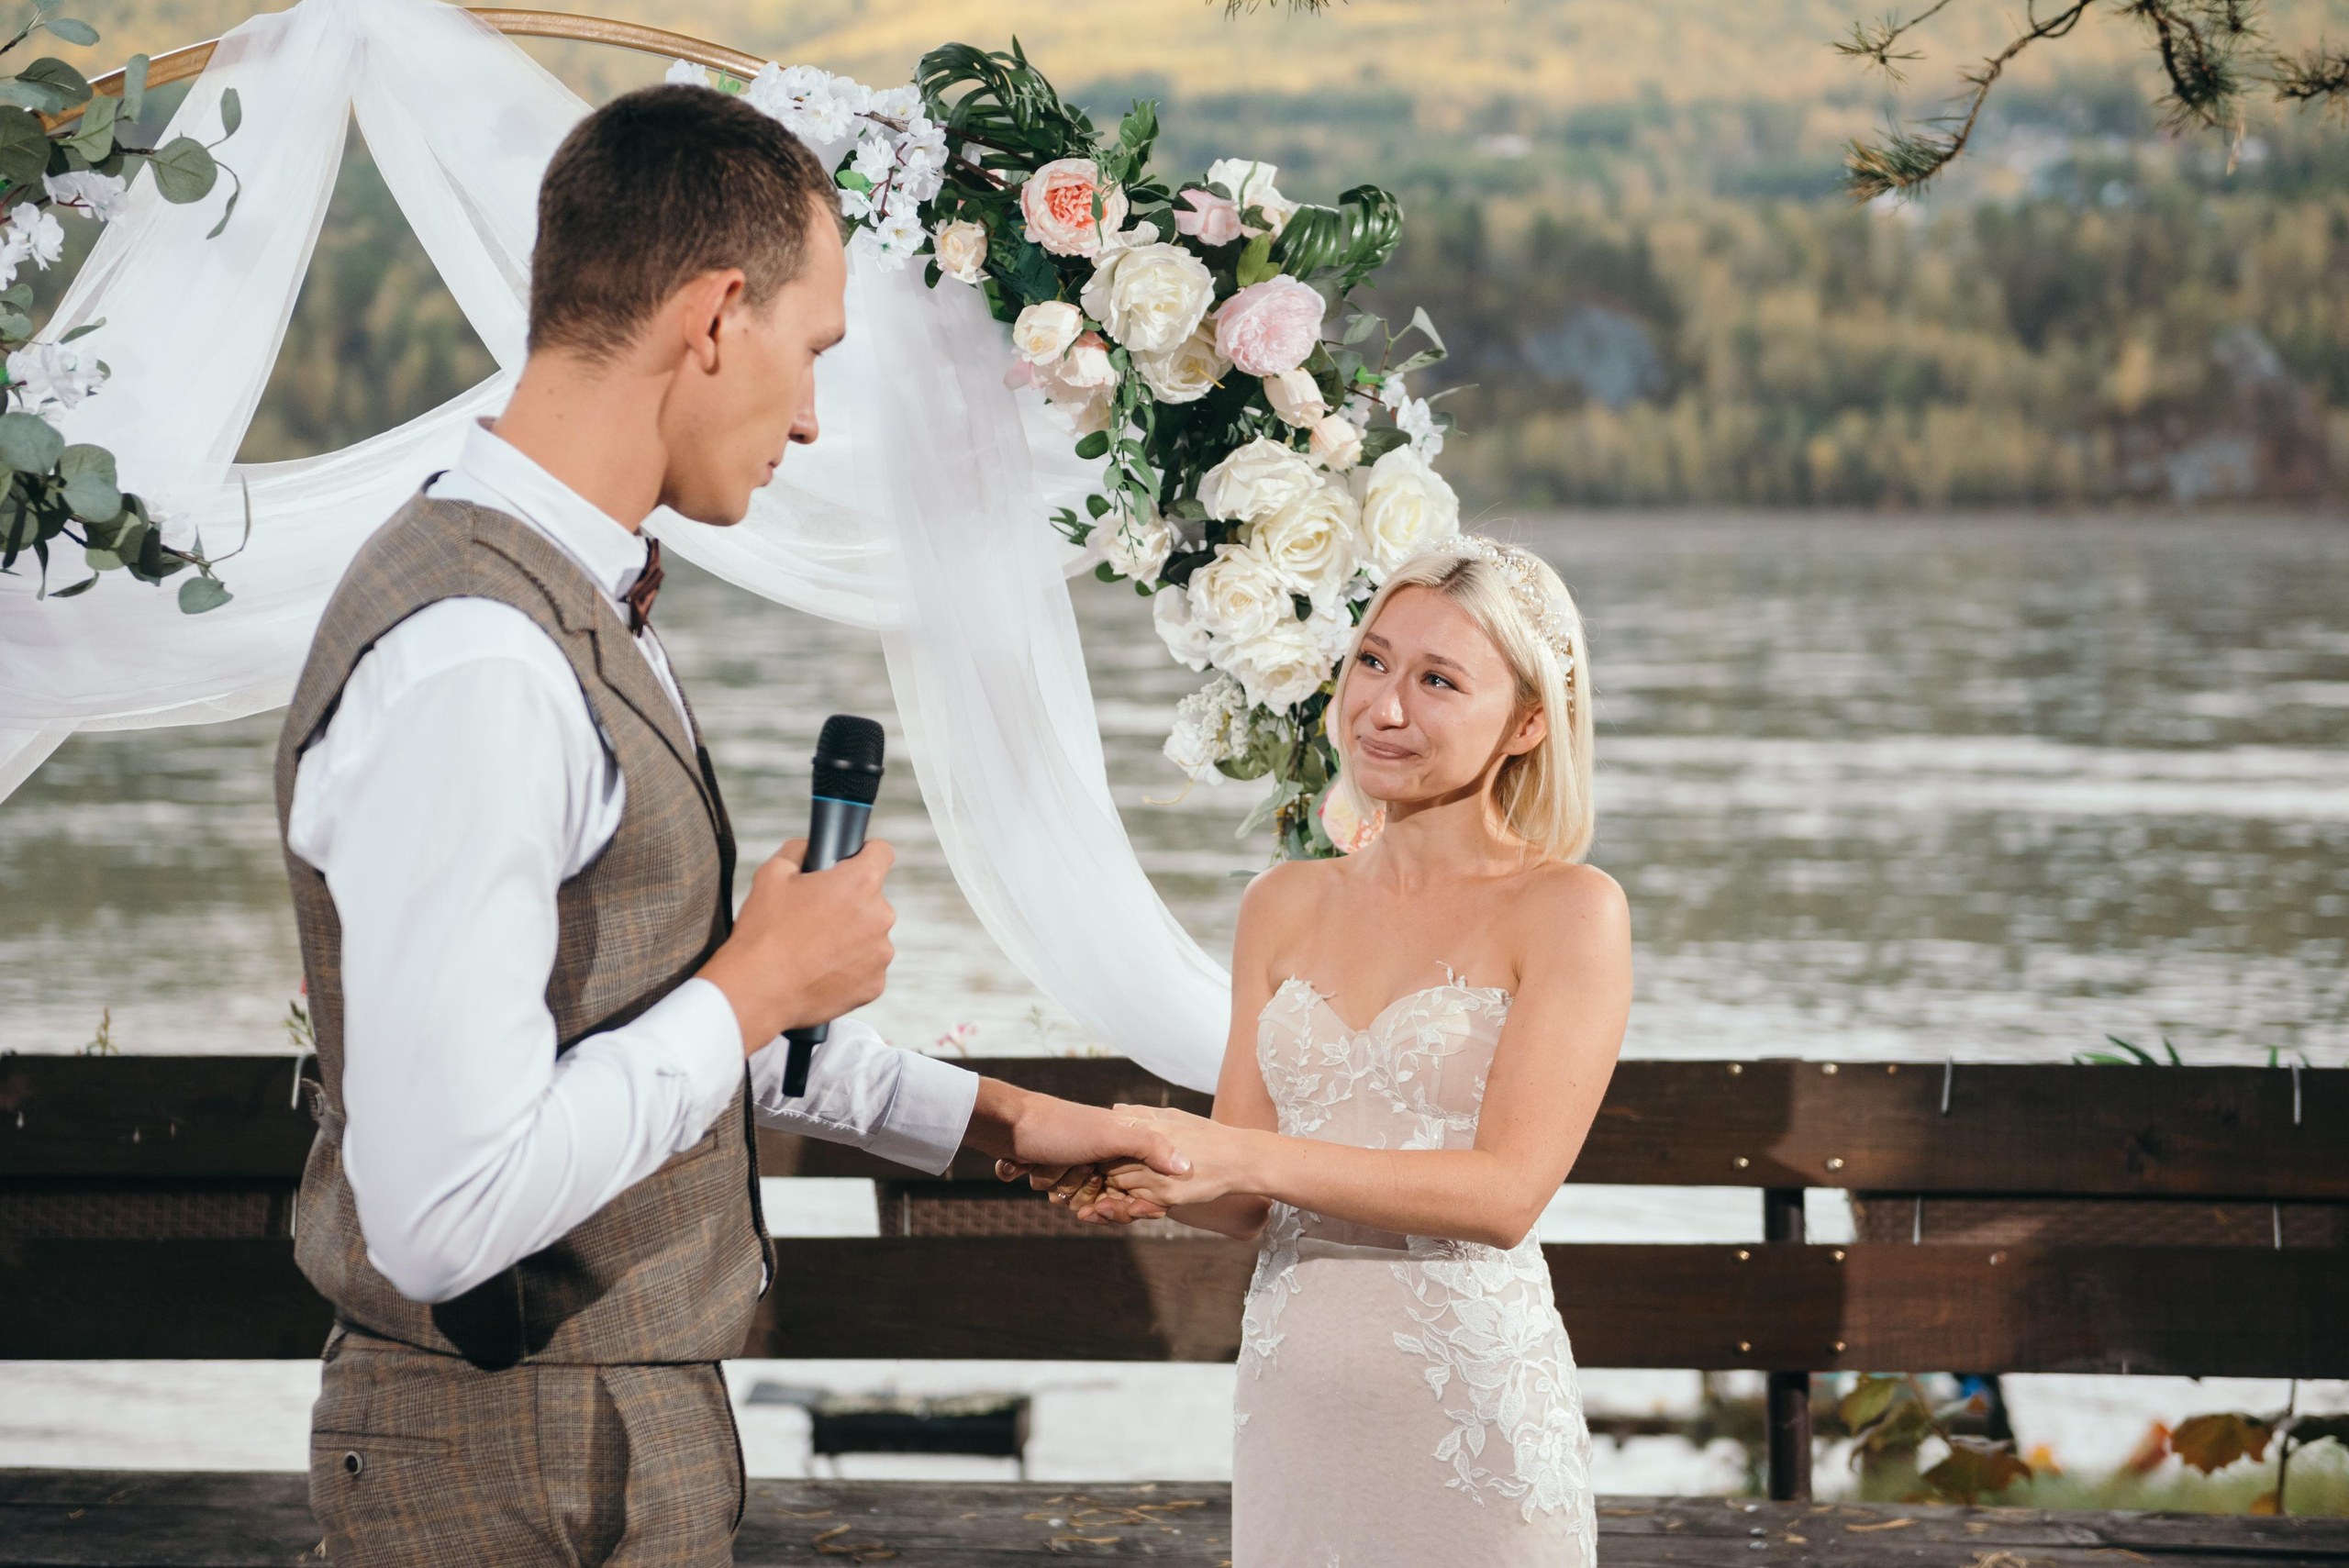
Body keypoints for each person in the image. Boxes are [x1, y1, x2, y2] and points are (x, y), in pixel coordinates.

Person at [275, 85, 1188, 1568]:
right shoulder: (481, 663)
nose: (816, 413)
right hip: (514, 1462)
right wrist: (758, 977)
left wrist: (999, 1122)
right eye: (812, 349)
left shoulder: (568, 605)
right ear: (713, 318)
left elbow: (630, 1018)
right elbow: (446, 1214)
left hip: (597, 1435)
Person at [1052, 539, 1631, 1566]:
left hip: (1473, 1419)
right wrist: (1136, 1160)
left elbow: (1505, 1193)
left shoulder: (1569, 911)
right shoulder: (1280, 903)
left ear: (1529, 722)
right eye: (1372, 660)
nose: (1384, 707)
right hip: (1295, 1415)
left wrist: (1240, 1157)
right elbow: (1236, 1195)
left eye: (1438, 680)